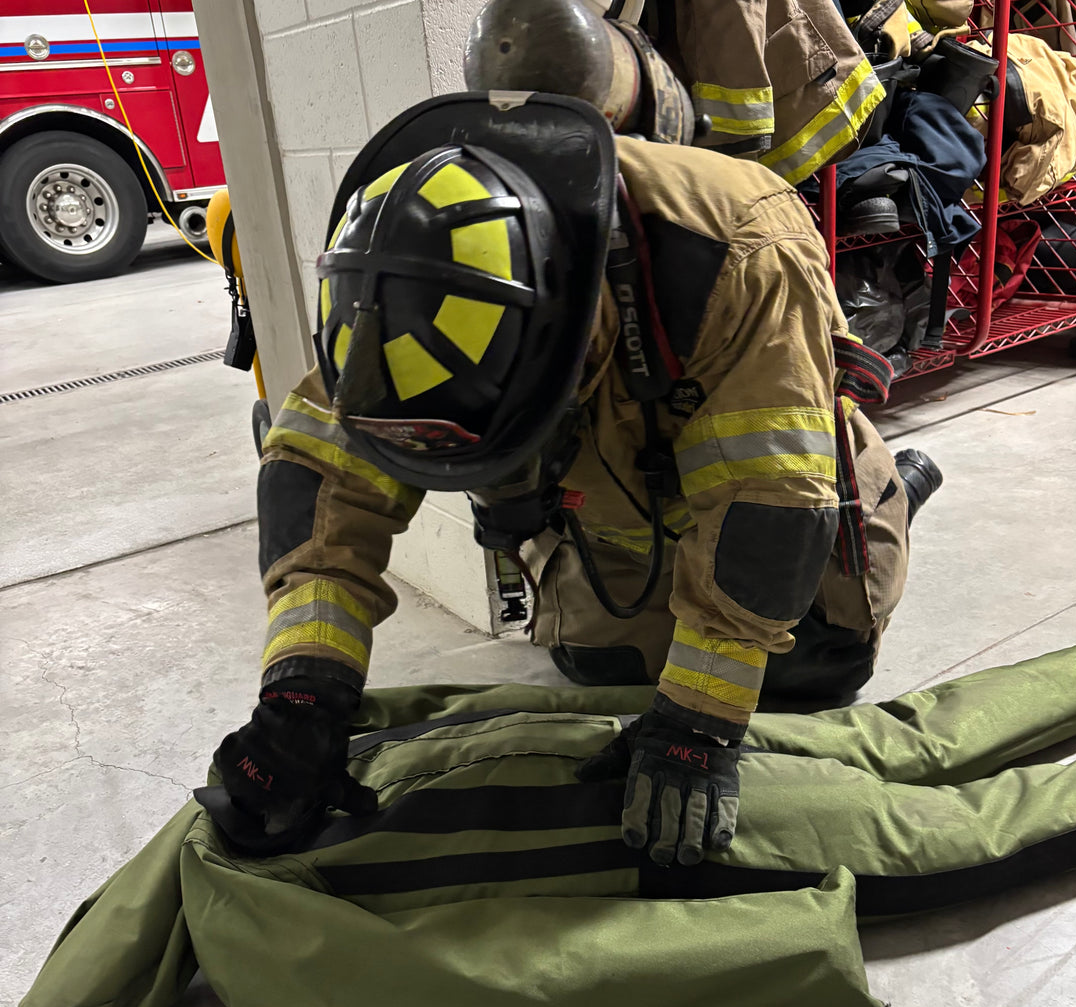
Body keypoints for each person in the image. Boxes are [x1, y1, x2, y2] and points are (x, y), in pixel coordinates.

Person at [212, 90, 942, 866]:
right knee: (597, 675)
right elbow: (322, 486)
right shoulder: (399, 279)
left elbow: (769, 503)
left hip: (783, 496)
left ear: (564, 334)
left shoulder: (736, 245)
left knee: (807, 677)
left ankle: (892, 496)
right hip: (619, 515)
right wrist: (302, 695)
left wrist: (698, 725)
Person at [18, 646, 1076, 1007]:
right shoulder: (270, 928)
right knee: (927, 775)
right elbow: (522, 973)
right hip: (666, 807)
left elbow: (521, 973)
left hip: (661, 785)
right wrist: (786, 935)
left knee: (932, 784)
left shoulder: (254, 875)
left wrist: (780, 932)